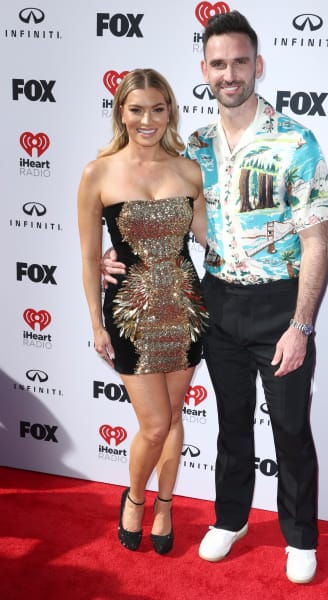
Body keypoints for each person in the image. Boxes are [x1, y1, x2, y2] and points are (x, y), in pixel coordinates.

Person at [103, 11, 328, 583]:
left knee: (290, 428)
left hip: (280, 305)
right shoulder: (195, 148)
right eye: (217, 64)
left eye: (239, 62)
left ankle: (300, 536)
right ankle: (230, 519)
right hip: (217, 302)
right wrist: (118, 258)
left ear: (257, 65)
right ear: (203, 71)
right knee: (232, 424)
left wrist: (301, 325)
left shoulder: (295, 139)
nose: (229, 73)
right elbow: (160, 216)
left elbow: (316, 241)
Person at [77, 68, 208, 555]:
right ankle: (134, 498)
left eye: (157, 108)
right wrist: (96, 322)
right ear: (121, 112)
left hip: (186, 308)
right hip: (131, 314)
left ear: (169, 111)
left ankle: (166, 504)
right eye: (137, 109)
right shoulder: (99, 173)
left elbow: (209, 238)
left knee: (173, 417)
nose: (147, 119)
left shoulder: (189, 170)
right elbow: (90, 257)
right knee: (154, 424)